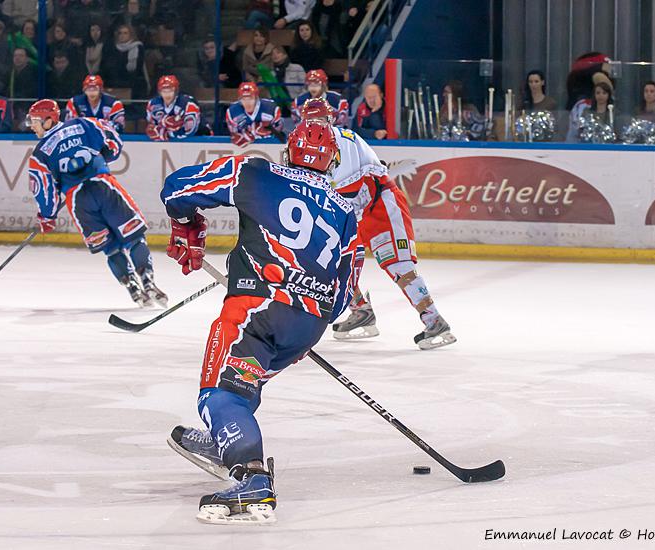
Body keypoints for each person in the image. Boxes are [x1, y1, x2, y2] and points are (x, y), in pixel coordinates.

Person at [161, 121, 363, 524]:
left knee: (222, 394)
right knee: (243, 384)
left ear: (288, 152)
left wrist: (186, 226)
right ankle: (226, 438)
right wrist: (305, 318)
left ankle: (251, 477)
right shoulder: (346, 213)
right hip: (308, 324)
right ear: (332, 163)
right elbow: (345, 291)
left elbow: (177, 188)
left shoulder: (255, 171)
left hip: (256, 311)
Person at [302, 98, 456, 349]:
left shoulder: (344, 141)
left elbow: (353, 189)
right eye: (310, 121)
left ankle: (434, 320)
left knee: (398, 264)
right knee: (333, 261)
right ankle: (361, 310)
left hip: (381, 205)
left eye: (320, 120)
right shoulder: (304, 145)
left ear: (331, 120)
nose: (315, 126)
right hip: (351, 209)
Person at [25, 99, 168, 307]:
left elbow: (44, 190)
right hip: (104, 188)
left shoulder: (39, 155)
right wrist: (108, 154)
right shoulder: (84, 123)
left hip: (78, 202)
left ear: (49, 120)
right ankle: (149, 282)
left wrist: (47, 216)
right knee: (134, 238)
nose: (32, 126)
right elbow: (113, 139)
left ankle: (133, 289)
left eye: (35, 121)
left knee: (110, 248)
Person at [145, 75, 209, 141]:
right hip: (170, 142)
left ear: (176, 91)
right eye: (164, 91)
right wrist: (155, 130)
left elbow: (190, 131)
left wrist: (167, 134)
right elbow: (152, 126)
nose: (167, 94)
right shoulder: (153, 104)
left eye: (170, 91)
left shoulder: (188, 104)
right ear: (159, 92)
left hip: (201, 138)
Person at [226, 81, 284, 147]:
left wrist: (269, 131)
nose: (247, 102)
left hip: (270, 145)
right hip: (244, 147)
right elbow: (234, 134)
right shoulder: (232, 111)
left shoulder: (270, 108)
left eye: (250, 98)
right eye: (243, 98)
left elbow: (279, 129)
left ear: (256, 97)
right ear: (239, 99)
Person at [100, 24, 148, 99]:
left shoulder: (138, 47)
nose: (122, 35)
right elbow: (108, 66)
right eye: (120, 33)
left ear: (131, 35)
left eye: (125, 33)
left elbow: (138, 68)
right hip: (114, 84)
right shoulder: (112, 48)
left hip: (132, 84)